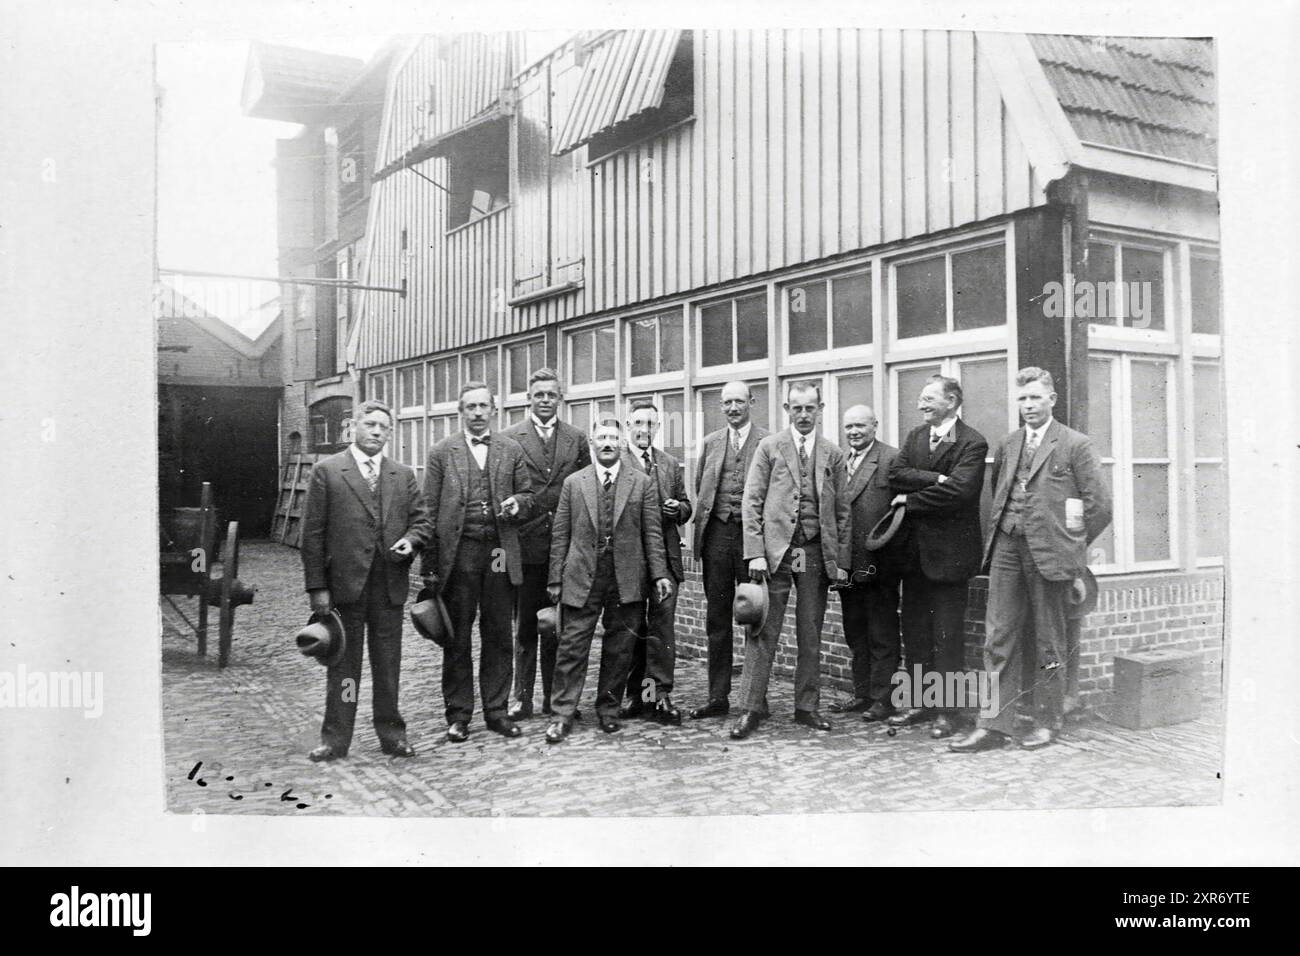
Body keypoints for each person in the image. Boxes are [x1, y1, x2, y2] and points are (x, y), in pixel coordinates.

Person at [950, 368, 1112, 753]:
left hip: (1050, 555)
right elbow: (999, 493)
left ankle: (1048, 720)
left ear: (1051, 400)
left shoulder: (1075, 445)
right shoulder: (1009, 445)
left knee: (1049, 642)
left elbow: (1100, 507)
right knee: (998, 637)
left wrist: (1070, 544)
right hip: (1007, 547)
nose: (1028, 406)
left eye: (1035, 398)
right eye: (1022, 399)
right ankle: (993, 725)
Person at [300, 400, 431, 761]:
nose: (376, 432)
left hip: (388, 586)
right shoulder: (328, 472)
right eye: (369, 424)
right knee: (345, 666)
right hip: (346, 588)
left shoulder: (401, 475)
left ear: (390, 433)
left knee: (387, 666)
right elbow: (312, 535)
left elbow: (422, 522)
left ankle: (392, 735)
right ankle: (336, 737)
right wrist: (318, 588)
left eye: (383, 427)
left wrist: (412, 540)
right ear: (353, 428)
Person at [731, 381, 850, 740]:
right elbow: (751, 501)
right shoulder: (769, 447)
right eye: (796, 408)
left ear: (820, 408)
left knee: (810, 632)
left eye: (809, 408)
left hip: (813, 553)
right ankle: (751, 708)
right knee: (763, 630)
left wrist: (840, 559)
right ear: (786, 409)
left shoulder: (833, 454)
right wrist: (755, 553)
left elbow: (843, 512)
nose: (802, 415)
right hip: (777, 553)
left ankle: (806, 707)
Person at [544, 419, 673, 743]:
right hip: (581, 575)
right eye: (601, 437)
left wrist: (658, 574)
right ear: (592, 441)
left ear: (621, 443)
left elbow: (652, 533)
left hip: (625, 576)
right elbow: (560, 533)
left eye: (613, 438)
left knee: (620, 649)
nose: (607, 443)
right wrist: (555, 579)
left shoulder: (641, 483)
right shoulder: (574, 483)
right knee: (572, 645)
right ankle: (562, 714)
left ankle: (608, 710)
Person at [421, 382, 533, 742]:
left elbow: (528, 495)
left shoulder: (511, 449)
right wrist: (431, 567)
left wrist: (518, 503)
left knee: (499, 632)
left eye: (484, 405)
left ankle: (497, 712)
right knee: (458, 637)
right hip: (461, 554)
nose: (478, 412)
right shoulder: (441, 453)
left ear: (494, 410)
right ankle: (458, 714)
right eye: (470, 406)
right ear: (461, 412)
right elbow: (428, 511)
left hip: (499, 552)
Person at [886, 375, 987, 740]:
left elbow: (960, 492)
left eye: (929, 398)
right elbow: (895, 474)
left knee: (947, 636)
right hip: (913, 557)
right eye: (921, 398)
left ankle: (949, 713)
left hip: (950, 559)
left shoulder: (973, 442)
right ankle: (918, 703)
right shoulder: (915, 436)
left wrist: (911, 499)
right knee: (914, 632)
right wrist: (937, 478)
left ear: (952, 401)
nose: (920, 404)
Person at [501, 369, 591, 720]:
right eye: (538, 395)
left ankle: (557, 698)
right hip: (528, 548)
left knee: (558, 626)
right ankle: (521, 698)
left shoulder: (576, 438)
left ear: (560, 398)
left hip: (565, 548)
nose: (544, 401)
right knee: (525, 626)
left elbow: (585, 487)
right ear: (529, 398)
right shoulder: (510, 438)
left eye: (550, 395)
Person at [689, 382, 769, 720]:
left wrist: (760, 546)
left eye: (739, 401)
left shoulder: (768, 442)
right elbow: (700, 489)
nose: (733, 408)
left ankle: (755, 701)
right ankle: (717, 696)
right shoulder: (710, 443)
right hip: (717, 538)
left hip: (752, 540)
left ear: (751, 402)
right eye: (727, 403)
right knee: (716, 620)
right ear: (721, 407)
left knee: (756, 617)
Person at [619, 401, 692, 724]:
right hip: (631, 560)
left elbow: (688, 506)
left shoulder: (669, 463)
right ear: (627, 426)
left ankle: (660, 695)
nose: (644, 430)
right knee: (634, 628)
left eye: (650, 424)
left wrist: (679, 509)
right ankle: (636, 695)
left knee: (662, 628)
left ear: (658, 427)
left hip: (666, 559)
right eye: (638, 423)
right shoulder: (616, 463)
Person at [831, 405, 902, 723]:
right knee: (855, 631)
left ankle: (883, 699)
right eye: (848, 427)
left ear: (875, 425)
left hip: (879, 563)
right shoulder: (839, 462)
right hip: (848, 564)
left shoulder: (891, 459)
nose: (854, 432)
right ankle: (862, 694)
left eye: (860, 425)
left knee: (882, 632)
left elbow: (901, 515)